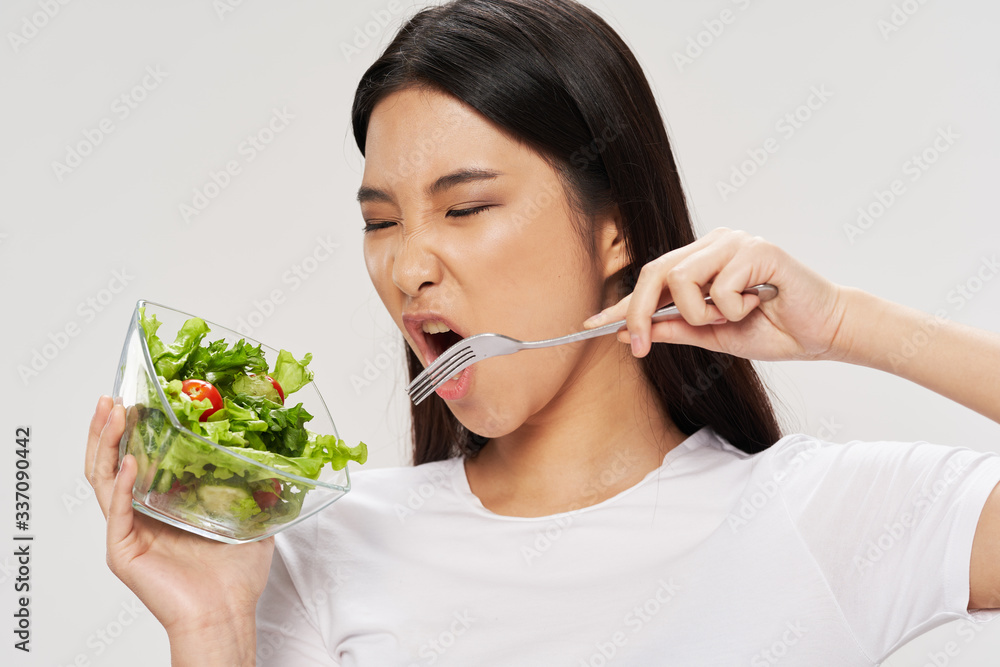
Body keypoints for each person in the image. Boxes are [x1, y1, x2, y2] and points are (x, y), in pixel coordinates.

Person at [85, 0, 1000, 664]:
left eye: (467, 205)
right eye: (380, 221)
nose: (407, 267)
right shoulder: (320, 546)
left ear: (620, 232)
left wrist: (846, 322)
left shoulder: (820, 517)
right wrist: (208, 632)